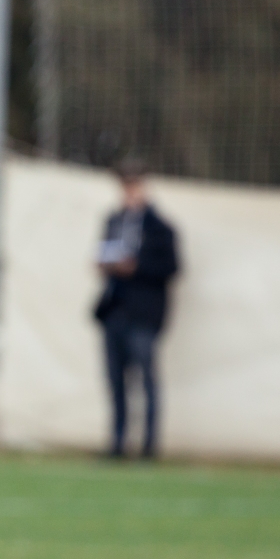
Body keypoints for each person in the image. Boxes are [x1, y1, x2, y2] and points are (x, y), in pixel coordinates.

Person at [92, 159, 180, 459]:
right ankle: (117, 443)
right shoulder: (113, 222)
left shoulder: (160, 228)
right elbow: (104, 254)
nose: (129, 191)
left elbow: (171, 268)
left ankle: (149, 446)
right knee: (116, 381)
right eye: (124, 185)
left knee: (146, 380)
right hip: (115, 310)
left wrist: (136, 268)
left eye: (134, 184)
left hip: (144, 314)